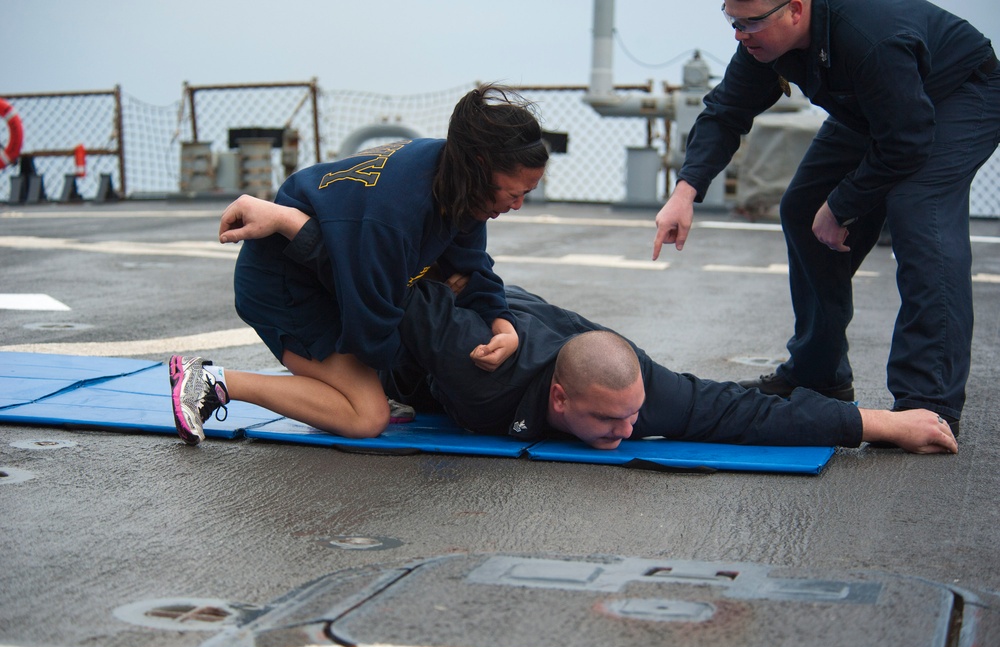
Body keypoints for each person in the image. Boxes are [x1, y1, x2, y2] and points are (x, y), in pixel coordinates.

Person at [249, 211, 957, 454]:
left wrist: (879, 425)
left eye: (632, 416)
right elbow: (384, 291)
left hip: (504, 317)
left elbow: (744, 412)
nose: (629, 429)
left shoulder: (641, 393)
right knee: (369, 400)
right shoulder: (479, 360)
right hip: (386, 303)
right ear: (558, 401)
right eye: (610, 422)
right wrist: (295, 233)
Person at [651, 0, 1000, 436]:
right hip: (879, 106)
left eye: (751, 23)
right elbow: (726, 111)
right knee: (801, 208)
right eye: (732, 20)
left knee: (918, 210)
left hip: (956, 92)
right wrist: (685, 191)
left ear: (796, 10)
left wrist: (841, 206)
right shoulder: (765, 42)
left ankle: (928, 403)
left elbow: (907, 140)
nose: (739, 35)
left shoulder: (871, 38)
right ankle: (819, 375)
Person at [169, 83, 549, 445]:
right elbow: (371, 323)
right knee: (366, 416)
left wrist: (504, 325)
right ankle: (211, 380)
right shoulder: (398, 211)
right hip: (285, 286)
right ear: (481, 165)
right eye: (514, 193)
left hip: (330, 275)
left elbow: (470, 270)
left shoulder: (456, 179)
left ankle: (356, 385)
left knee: (386, 364)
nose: (517, 205)